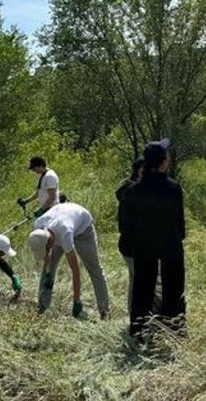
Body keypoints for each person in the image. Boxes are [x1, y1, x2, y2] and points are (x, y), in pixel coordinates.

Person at [119, 138, 187, 341]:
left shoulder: (132, 191)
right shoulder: (173, 188)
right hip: (170, 247)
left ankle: (140, 331)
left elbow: (125, 225)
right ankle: (174, 331)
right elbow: (179, 222)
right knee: (173, 290)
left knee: (142, 290)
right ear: (163, 162)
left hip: (143, 248)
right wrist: (178, 237)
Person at [27, 202, 111, 319]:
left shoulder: (64, 232)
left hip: (83, 229)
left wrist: (77, 301)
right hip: (61, 223)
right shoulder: (38, 227)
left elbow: (75, 270)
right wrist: (47, 274)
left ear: (50, 243)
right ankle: (42, 308)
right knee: (49, 270)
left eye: (47, 248)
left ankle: (104, 311)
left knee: (94, 269)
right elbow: (46, 255)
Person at [116, 158, 143, 309]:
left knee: (135, 280)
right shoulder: (134, 191)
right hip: (134, 244)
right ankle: (139, 316)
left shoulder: (128, 189)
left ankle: (135, 314)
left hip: (127, 243)